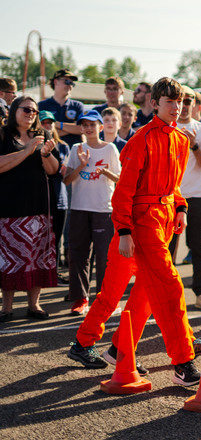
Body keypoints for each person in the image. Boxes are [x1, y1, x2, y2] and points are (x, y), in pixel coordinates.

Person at [67, 77, 201, 386]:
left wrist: (181, 208)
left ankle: (105, 346)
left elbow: (175, 186)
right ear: (154, 104)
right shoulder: (141, 140)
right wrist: (125, 230)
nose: (176, 108)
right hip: (139, 224)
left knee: (140, 293)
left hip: (163, 220)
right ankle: (183, 361)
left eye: (179, 102)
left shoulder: (181, 140)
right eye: (170, 102)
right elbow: (123, 192)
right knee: (167, 287)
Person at [0, 96, 60, 322]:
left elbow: (54, 170)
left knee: (37, 257)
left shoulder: (42, 136)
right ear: (14, 110)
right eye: (26, 109)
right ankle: (6, 308)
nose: (31, 114)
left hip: (38, 208)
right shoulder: (3, 135)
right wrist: (26, 151)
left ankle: (34, 305)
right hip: (9, 208)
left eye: (34, 111)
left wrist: (45, 154)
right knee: (10, 259)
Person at [62, 110, 120, 316]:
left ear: (100, 127)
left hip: (103, 209)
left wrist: (104, 172)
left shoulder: (110, 148)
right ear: (80, 128)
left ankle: (104, 299)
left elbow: (120, 180)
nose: (88, 128)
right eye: (84, 125)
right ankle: (80, 299)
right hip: (79, 208)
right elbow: (66, 180)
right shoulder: (76, 148)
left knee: (105, 257)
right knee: (78, 256)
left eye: (92, 124)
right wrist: (82, 165)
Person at [170, 86, 201, 311]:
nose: (185, 105)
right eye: (182, 100)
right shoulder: (167, 128)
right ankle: (165, 297)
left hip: (197, 196)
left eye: (189, 101)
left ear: (196, 105)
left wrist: (194, 146)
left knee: (199, 248)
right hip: (169, 198)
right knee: (166, 250)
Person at [38, 111, 70, 276]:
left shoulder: (63, 145)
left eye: (50, 122)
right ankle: (39, 274)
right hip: (39, 197)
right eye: (44, 122)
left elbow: (64, 172)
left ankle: (53, 273)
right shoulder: (32, 144)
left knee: (56, 239)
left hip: (59, 197)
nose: (47, 125)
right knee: (39, 239)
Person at [38, 69, 86, 147]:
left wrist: (57, 124)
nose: (69, 85)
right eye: (66, 81)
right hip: (50, 151)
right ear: (56, 82)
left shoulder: (77, 106)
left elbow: (82, 129)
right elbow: (40, 130)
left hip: (74, 152)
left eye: (72, 83)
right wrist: (71, 129)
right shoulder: (42, 106)